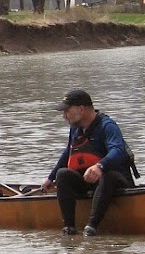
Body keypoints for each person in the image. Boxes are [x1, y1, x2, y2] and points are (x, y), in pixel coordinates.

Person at [40, 89, 137, 236]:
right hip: (90, 183)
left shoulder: (107, 126)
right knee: (63, 174)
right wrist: (50, 178)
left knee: (107, 176)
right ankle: (69, 228)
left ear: (81, 109)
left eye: (67, 111)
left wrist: (99, 166)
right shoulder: (75, 129)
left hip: (115, 181)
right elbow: (68, 153)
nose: (64, 116)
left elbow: (118, 150)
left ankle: (91, 228)